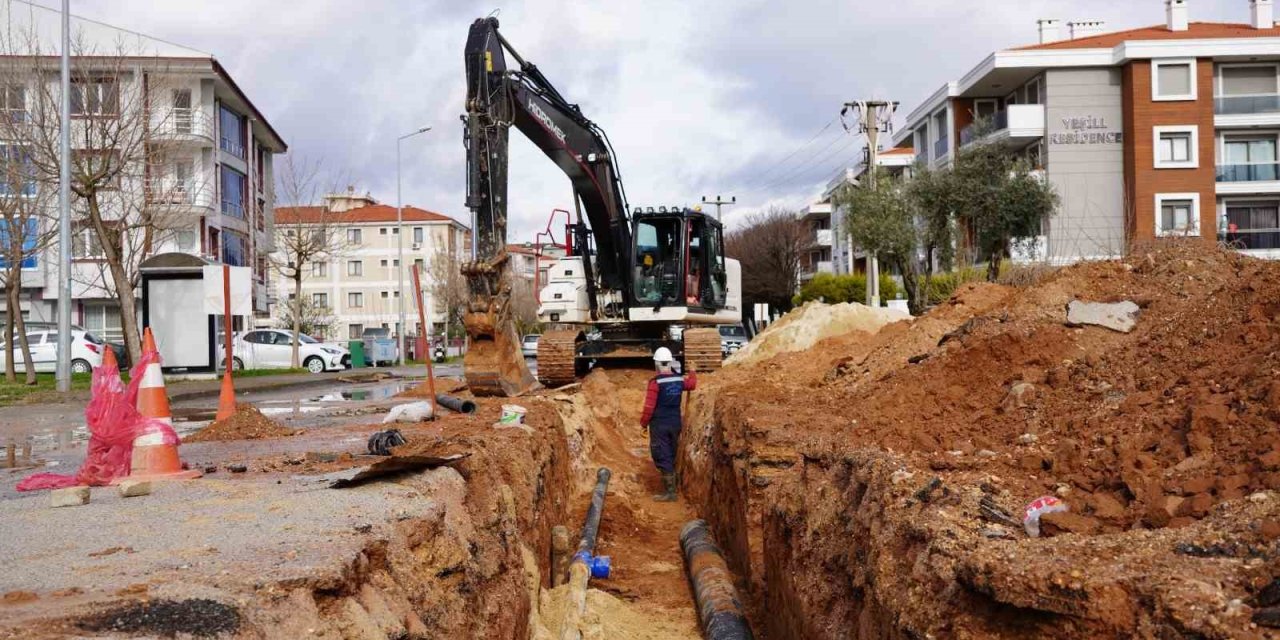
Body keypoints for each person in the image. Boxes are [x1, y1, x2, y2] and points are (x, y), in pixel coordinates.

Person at [640, 346, 697, 502]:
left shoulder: (655, 383)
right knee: (672, 451)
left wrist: (643, 424)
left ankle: (670, 492)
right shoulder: (678, 379)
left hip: (659, 425)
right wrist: (692, 371)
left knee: (662, 453)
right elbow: (691, 384)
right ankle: (674, 483)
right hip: (675, 423)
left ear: (657, 364)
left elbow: (649, 407)